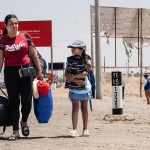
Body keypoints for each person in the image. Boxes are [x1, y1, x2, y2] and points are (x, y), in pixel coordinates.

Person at [0, 14, 43, 140]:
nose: (14, 25)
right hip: (10, 73)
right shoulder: (2, 41)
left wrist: (39, 72)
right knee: (14, 102)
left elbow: (34, 55)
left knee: (27, 101)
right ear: (6, 26)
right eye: (11, 23)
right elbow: (1, 61)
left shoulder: (25, 36)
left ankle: (24, 121)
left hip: (25, 72)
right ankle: (15, 131)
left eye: (16, 23)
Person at [65, 40, 91, 137]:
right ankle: (74, 129)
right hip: (74, 88)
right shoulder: (69, 60)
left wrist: (73, 77)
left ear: (81, 49)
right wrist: (76, 80)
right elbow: (67, 75)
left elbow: (85, 74)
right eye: (72, 48)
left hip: (85, 88)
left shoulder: (87, 59)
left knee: (84, 109)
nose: (72, 49)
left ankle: (85, 129)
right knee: (75, 108)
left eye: (74, 48)